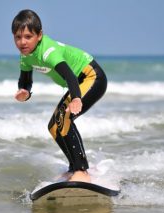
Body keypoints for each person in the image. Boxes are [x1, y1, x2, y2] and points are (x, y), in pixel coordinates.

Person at [12, 9, 107, 182]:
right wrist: (24, 91)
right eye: (18, 37)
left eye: (27, 36)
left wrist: (76, 98)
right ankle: (73, 168)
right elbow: (26, 80)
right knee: (53, 126)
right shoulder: (25, 56)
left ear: (39, 35)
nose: (22, 42)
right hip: (78, 84)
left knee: (64, 118)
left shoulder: (48, 51)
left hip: (92, 76)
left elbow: (70, 76)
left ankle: (82, 170)